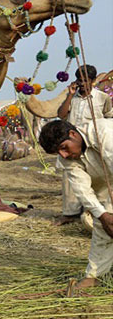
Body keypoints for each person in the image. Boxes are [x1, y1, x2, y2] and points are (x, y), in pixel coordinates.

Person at [39, 119, 113, 291]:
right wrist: (102, 215)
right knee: (104, 224)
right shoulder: (67, 159)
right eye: (58, 152)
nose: (64, 155)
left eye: (64, 147)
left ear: (73, 134)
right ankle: (95, 276)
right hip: (106, 185)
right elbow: (82, 190)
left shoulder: (103, 132)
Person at [55, 65, 113, 225]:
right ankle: (70, 213)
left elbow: (109, 117)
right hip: (72, 143)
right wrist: (69, 95)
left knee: (100, 177)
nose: (81, 83)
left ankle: (100, 211)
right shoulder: (72, 99)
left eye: (85, 80)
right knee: (70, 177)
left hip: (94, 143)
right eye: (79, 80)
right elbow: (61, 115)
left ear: (93, 81)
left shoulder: (102, 98)